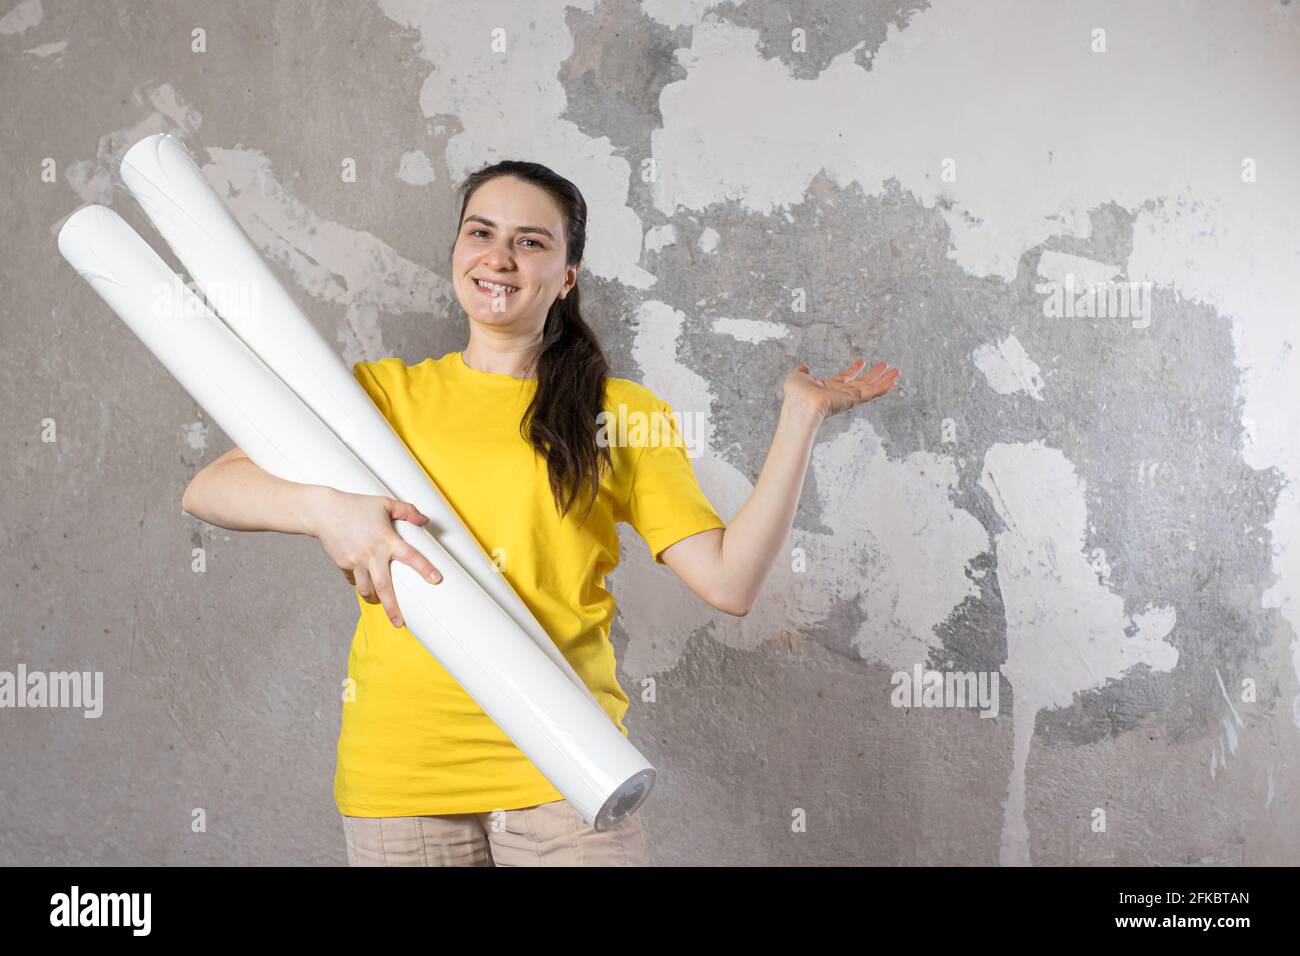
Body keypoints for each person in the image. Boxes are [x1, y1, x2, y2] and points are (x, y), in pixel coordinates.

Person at [180, 159, 900, 867]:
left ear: (568, 273)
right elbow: (211, 487)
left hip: (567, 768)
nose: (499, 257)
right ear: (458, 250)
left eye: (531, 241)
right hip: (402, 775)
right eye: (480, 232)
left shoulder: (618, 413)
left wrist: (800, 419)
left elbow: (729, 583)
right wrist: (327, 511)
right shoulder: (379, 398)